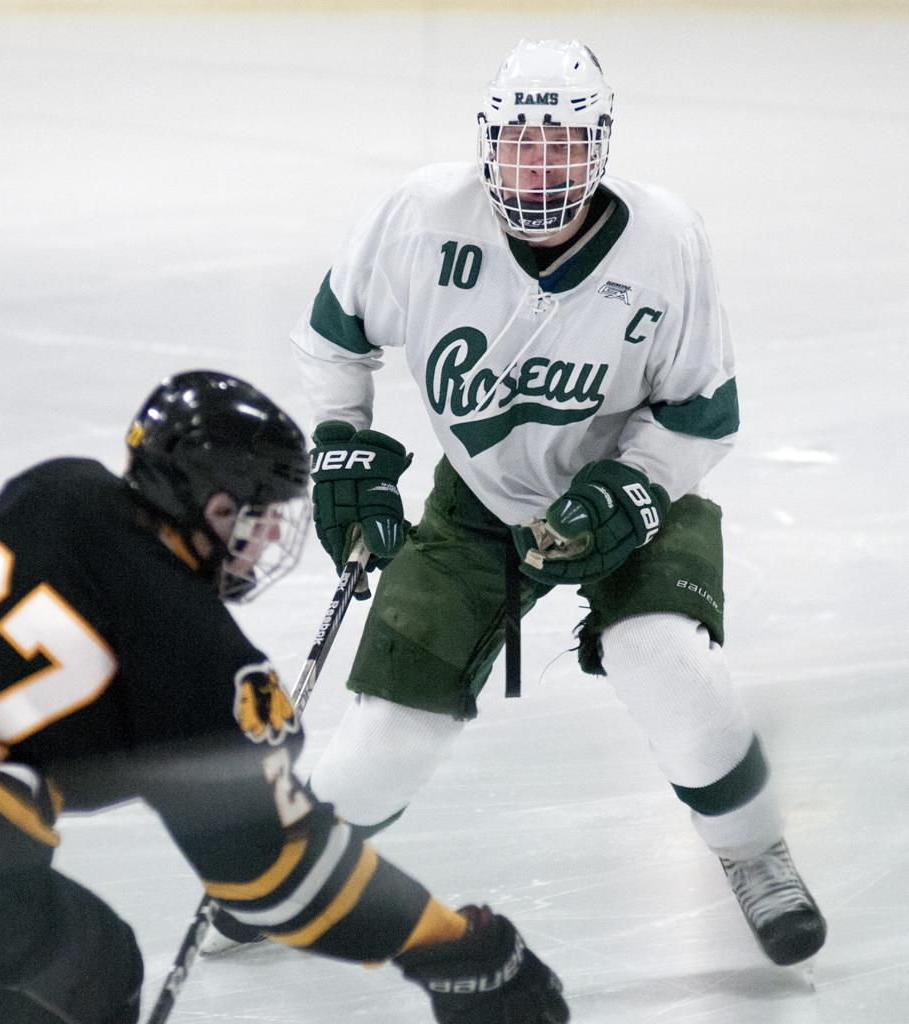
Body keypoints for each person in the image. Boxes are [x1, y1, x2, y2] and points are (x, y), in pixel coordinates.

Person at [284, 38, 827, 969]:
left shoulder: (664, 241)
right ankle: (291, 876)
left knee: (661, 658)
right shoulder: (420, 218)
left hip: (633, 485)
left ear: (599, 147)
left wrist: (631, 490)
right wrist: (344, 447)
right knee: (385, 738)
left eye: (563, 144)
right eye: (521, 142)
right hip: (478, 503)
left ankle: (752, 852)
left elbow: (701, 414)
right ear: (487, 142)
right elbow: (335, 339)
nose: (539, 165)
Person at [0, 370, 570, 1024]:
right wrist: (447, 942)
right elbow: (271, 876)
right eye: (261, 514)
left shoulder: (58, 488)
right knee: (96, 970)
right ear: (216, 507)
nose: (269, 540)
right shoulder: (187, 642)